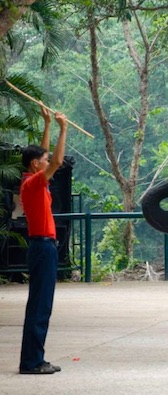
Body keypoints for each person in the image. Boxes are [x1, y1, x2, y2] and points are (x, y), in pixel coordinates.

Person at [18, 104, 67, 374]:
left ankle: (34, 358)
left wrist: (47, 124)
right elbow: (57, 161)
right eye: (43, 161)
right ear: (36, 164)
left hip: (43, 247)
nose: (48, 163)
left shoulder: (33, 180)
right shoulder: (34, 183)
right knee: (40, 305)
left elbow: (46, 156)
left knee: (40, 304)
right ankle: (32, 362)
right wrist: (63, 128)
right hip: (42, 247)